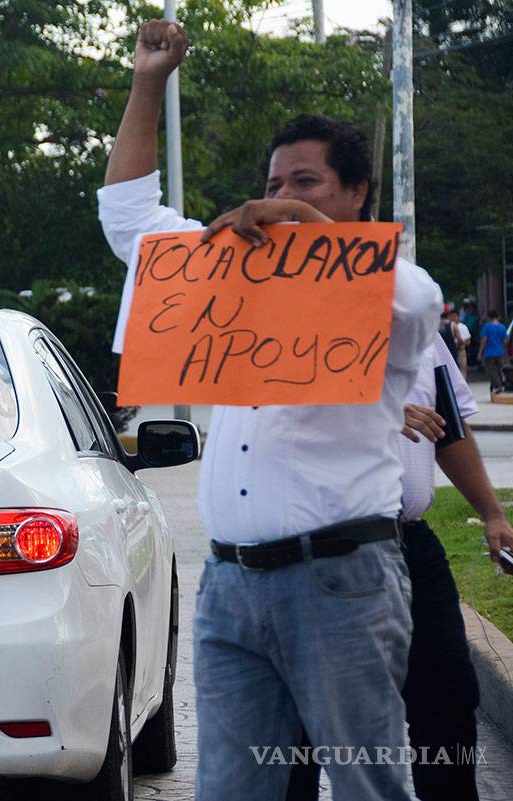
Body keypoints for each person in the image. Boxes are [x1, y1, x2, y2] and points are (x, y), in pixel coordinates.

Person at [99, 19, 442, 801]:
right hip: (230, 583)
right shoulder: (224, 274)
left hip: (340, 580)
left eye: (307, 183)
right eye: (275, 183)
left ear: (356, 196)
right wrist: (148, 81)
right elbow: (128, 221)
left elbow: (422, 300)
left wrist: (314, 240)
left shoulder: (384, 297)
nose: (282, 198)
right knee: (231, 789)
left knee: (368, 786)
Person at [285, 335, 513, 801]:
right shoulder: (292, 321)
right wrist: (379, 414)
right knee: (300, 720)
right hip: (315, 553)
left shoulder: (422, 330)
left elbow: (448, 431)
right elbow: (274, 419)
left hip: (408, 543)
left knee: (447, 696)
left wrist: (492, 513)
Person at [477, 310, 506, 394]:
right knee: (500, 369)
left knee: (492, 371)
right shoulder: (502, 327)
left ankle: (498, 386)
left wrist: (480, 352)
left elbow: (484, 340)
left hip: (490, 353)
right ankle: (498, 385)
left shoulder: (487, 327)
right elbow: (505, 341)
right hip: (500, 352)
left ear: (489, 317)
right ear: (498, 317)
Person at [448, 309, 470, 375]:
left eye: (454, 316)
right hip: (450, 350)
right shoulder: (447, 327)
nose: (453, 318)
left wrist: (460, 344)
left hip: (460, 350)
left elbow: (468, 340)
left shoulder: (463, 327)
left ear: (458, 317)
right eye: (451, 317)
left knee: (463, 368)